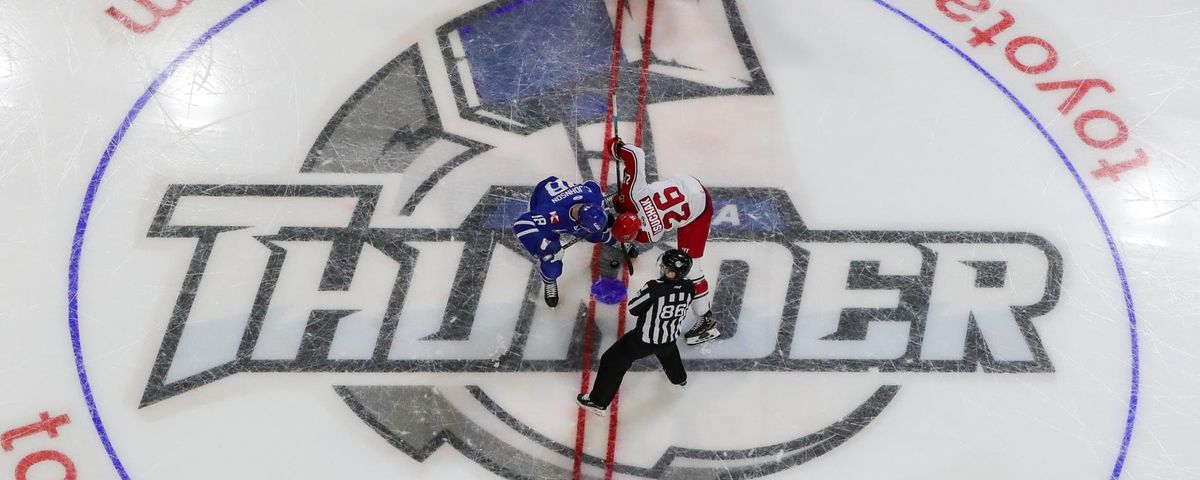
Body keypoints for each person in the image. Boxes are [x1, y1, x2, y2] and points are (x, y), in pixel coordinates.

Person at [606, 137, 719, 345]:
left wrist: (617, 202)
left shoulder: (648, 235)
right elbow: (635, 154)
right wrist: (616, 148)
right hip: (686, 184)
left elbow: (631, 218)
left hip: (699, 210)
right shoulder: (634, 196)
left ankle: (705, 320)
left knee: (692, 267)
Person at [577, 249, 696, 416]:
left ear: (671, 272)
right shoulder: (690, 287)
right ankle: (680, 379)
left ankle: (598, 402)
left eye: (666, 267)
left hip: (643, 340)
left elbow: (634, 308)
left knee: (612, 360)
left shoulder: (654, 287)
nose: (662, 268)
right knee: (669, 354)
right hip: (669, 336)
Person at [512, 176, 619, 307]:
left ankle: (614, 241)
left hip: (568, 202)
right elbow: (522, 224)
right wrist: (545, 247)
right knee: (551, 260)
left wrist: (602, 206)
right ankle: (550, 281)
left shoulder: (594, 198)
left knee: (595, 233)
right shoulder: (551, 214)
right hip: (545, 206)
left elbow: (592, 185)